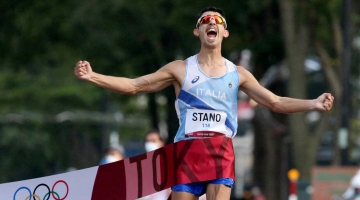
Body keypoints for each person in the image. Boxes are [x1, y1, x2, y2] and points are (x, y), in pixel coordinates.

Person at [74, 6, 334, 200]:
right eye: (205, 20)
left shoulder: (238, 74)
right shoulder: (179, 69)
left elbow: (275, 102)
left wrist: (313, 103)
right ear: (197, 31)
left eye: (217, 20)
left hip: (221, 154)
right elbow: (133, 86)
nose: (212, 22)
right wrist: (92, 75)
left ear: (224, 32)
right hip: (186, 153)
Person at [138, 130, 170, 200]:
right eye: (147, 141)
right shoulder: (140, 165)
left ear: (161, 142)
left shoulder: (168, 163)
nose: (149, 144)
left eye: (153, 141)